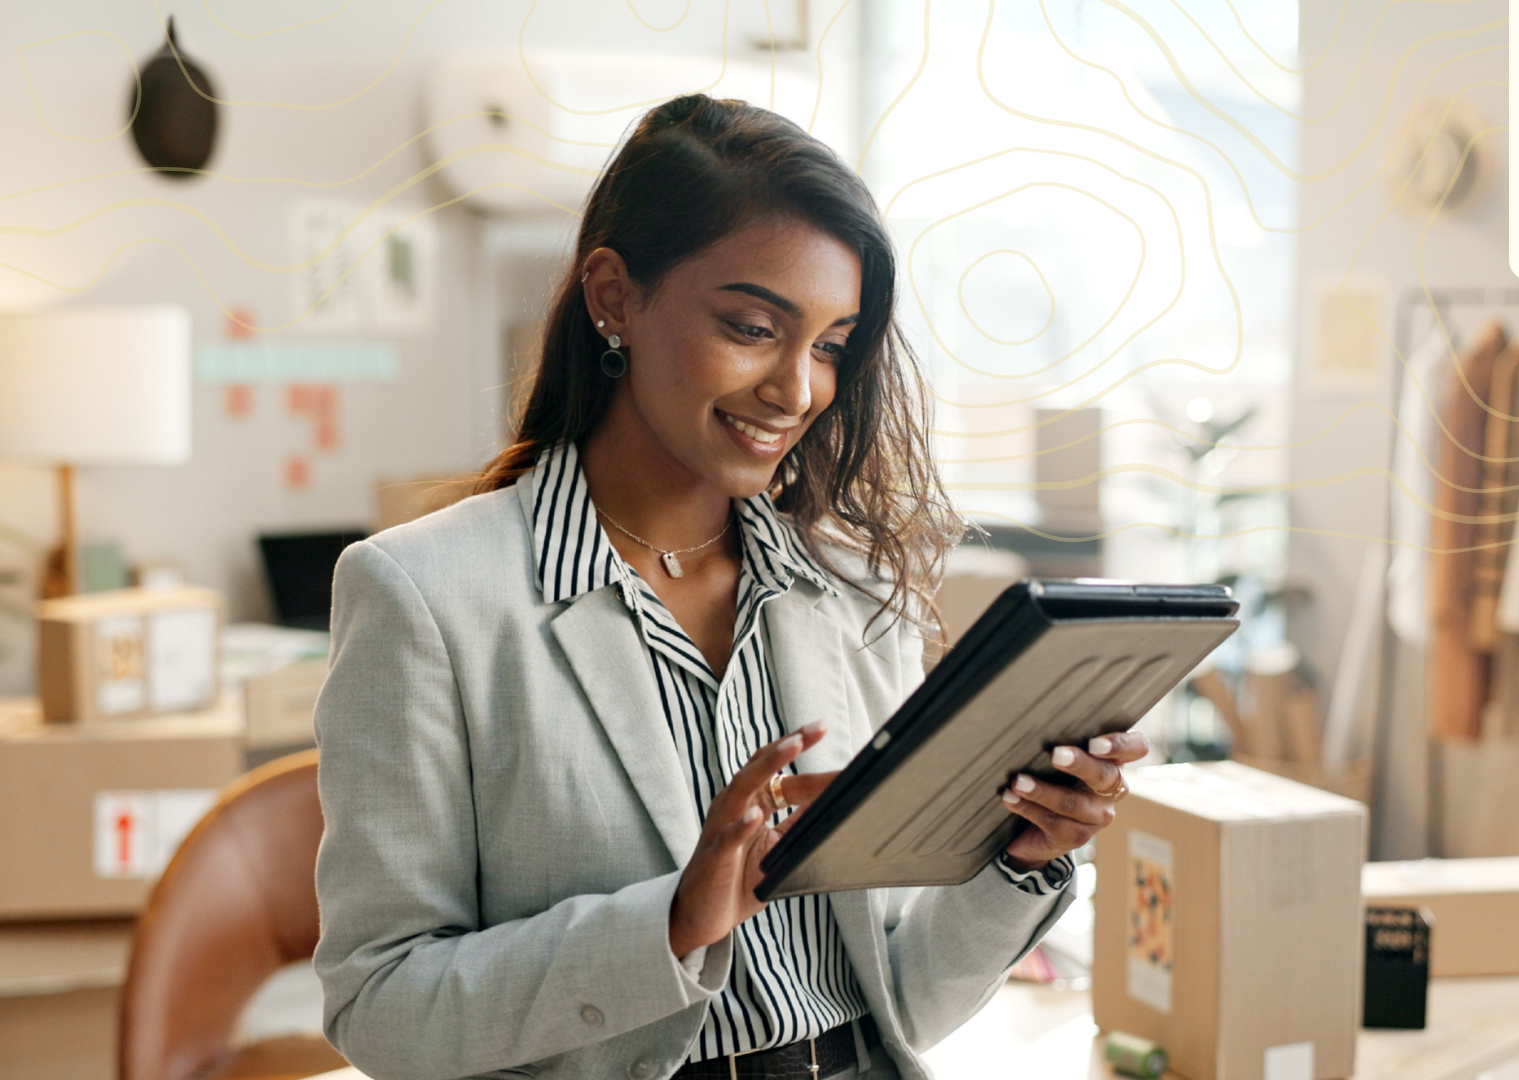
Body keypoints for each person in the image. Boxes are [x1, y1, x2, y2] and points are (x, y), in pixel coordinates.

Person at [312, 94, 1144, 1080]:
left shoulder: (848, 589)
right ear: (614, 296)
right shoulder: (424, 597)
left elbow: (903, 1002)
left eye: (832, 345)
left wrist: (1020, 858)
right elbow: (381, 1008)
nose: (797, 389)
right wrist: (669, 924)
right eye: (754, 326)